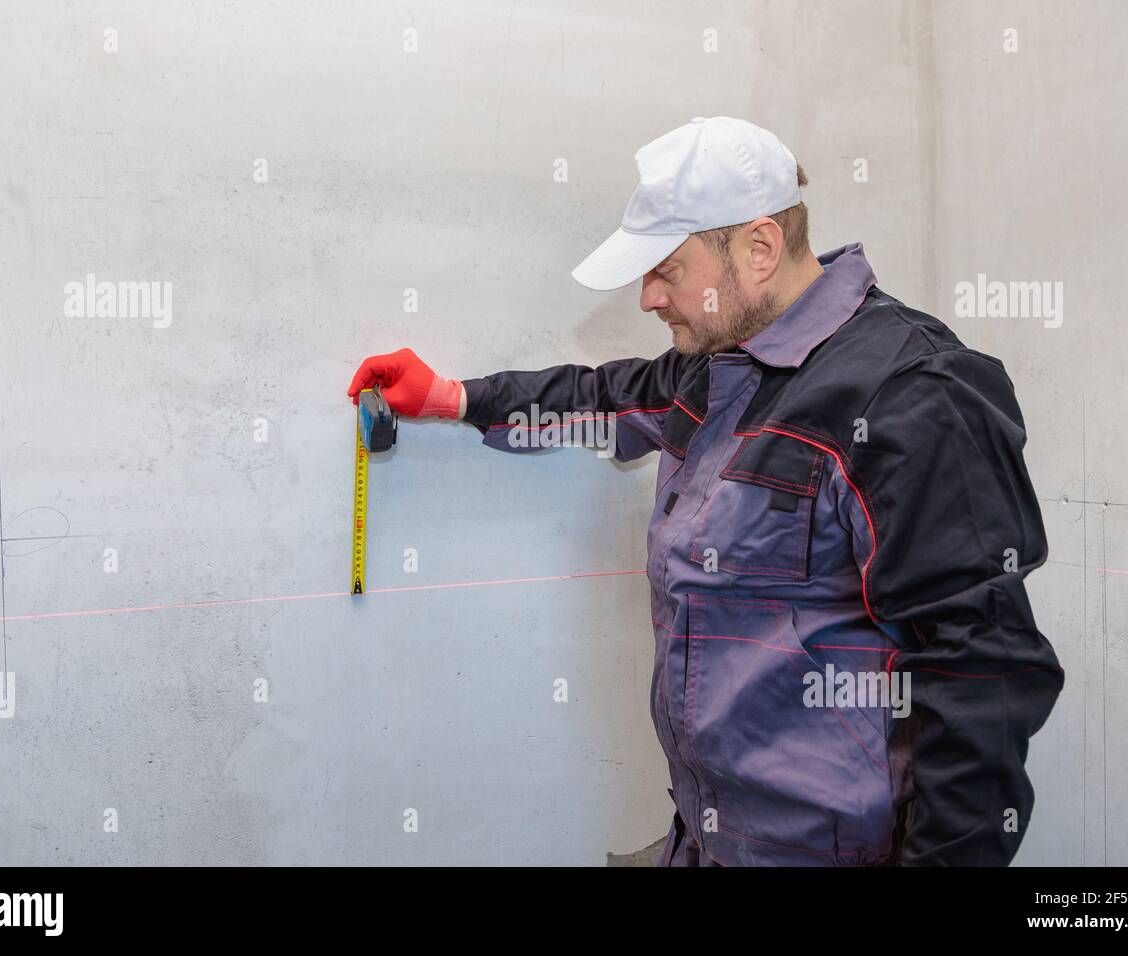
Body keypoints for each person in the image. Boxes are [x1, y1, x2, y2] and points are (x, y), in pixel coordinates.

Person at [348, 116, 1065, 867]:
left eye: (668, 269)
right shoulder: (719, 369)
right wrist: (455, 397)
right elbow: (607, 398)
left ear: (758, 249)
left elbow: (981, 672)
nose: (648, 297)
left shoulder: (911, 395)